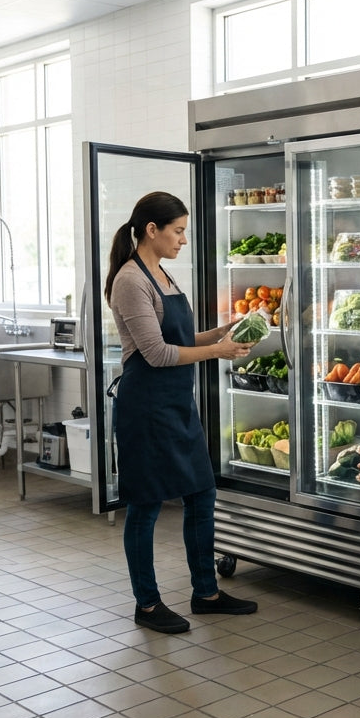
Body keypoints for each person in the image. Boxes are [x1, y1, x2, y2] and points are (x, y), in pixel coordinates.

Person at [104, 191, 260, 634]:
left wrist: (224, 331)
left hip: (176, 406)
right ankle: (148, 604)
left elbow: (182, 336)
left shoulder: (162, 274)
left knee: (201, 493)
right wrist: (218, 351)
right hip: (146, 409)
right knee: (146, 506)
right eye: (177, 231)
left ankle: (205, 593)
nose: (183, 239)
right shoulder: (130, 280)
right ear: (151, 230)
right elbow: (155, 353)